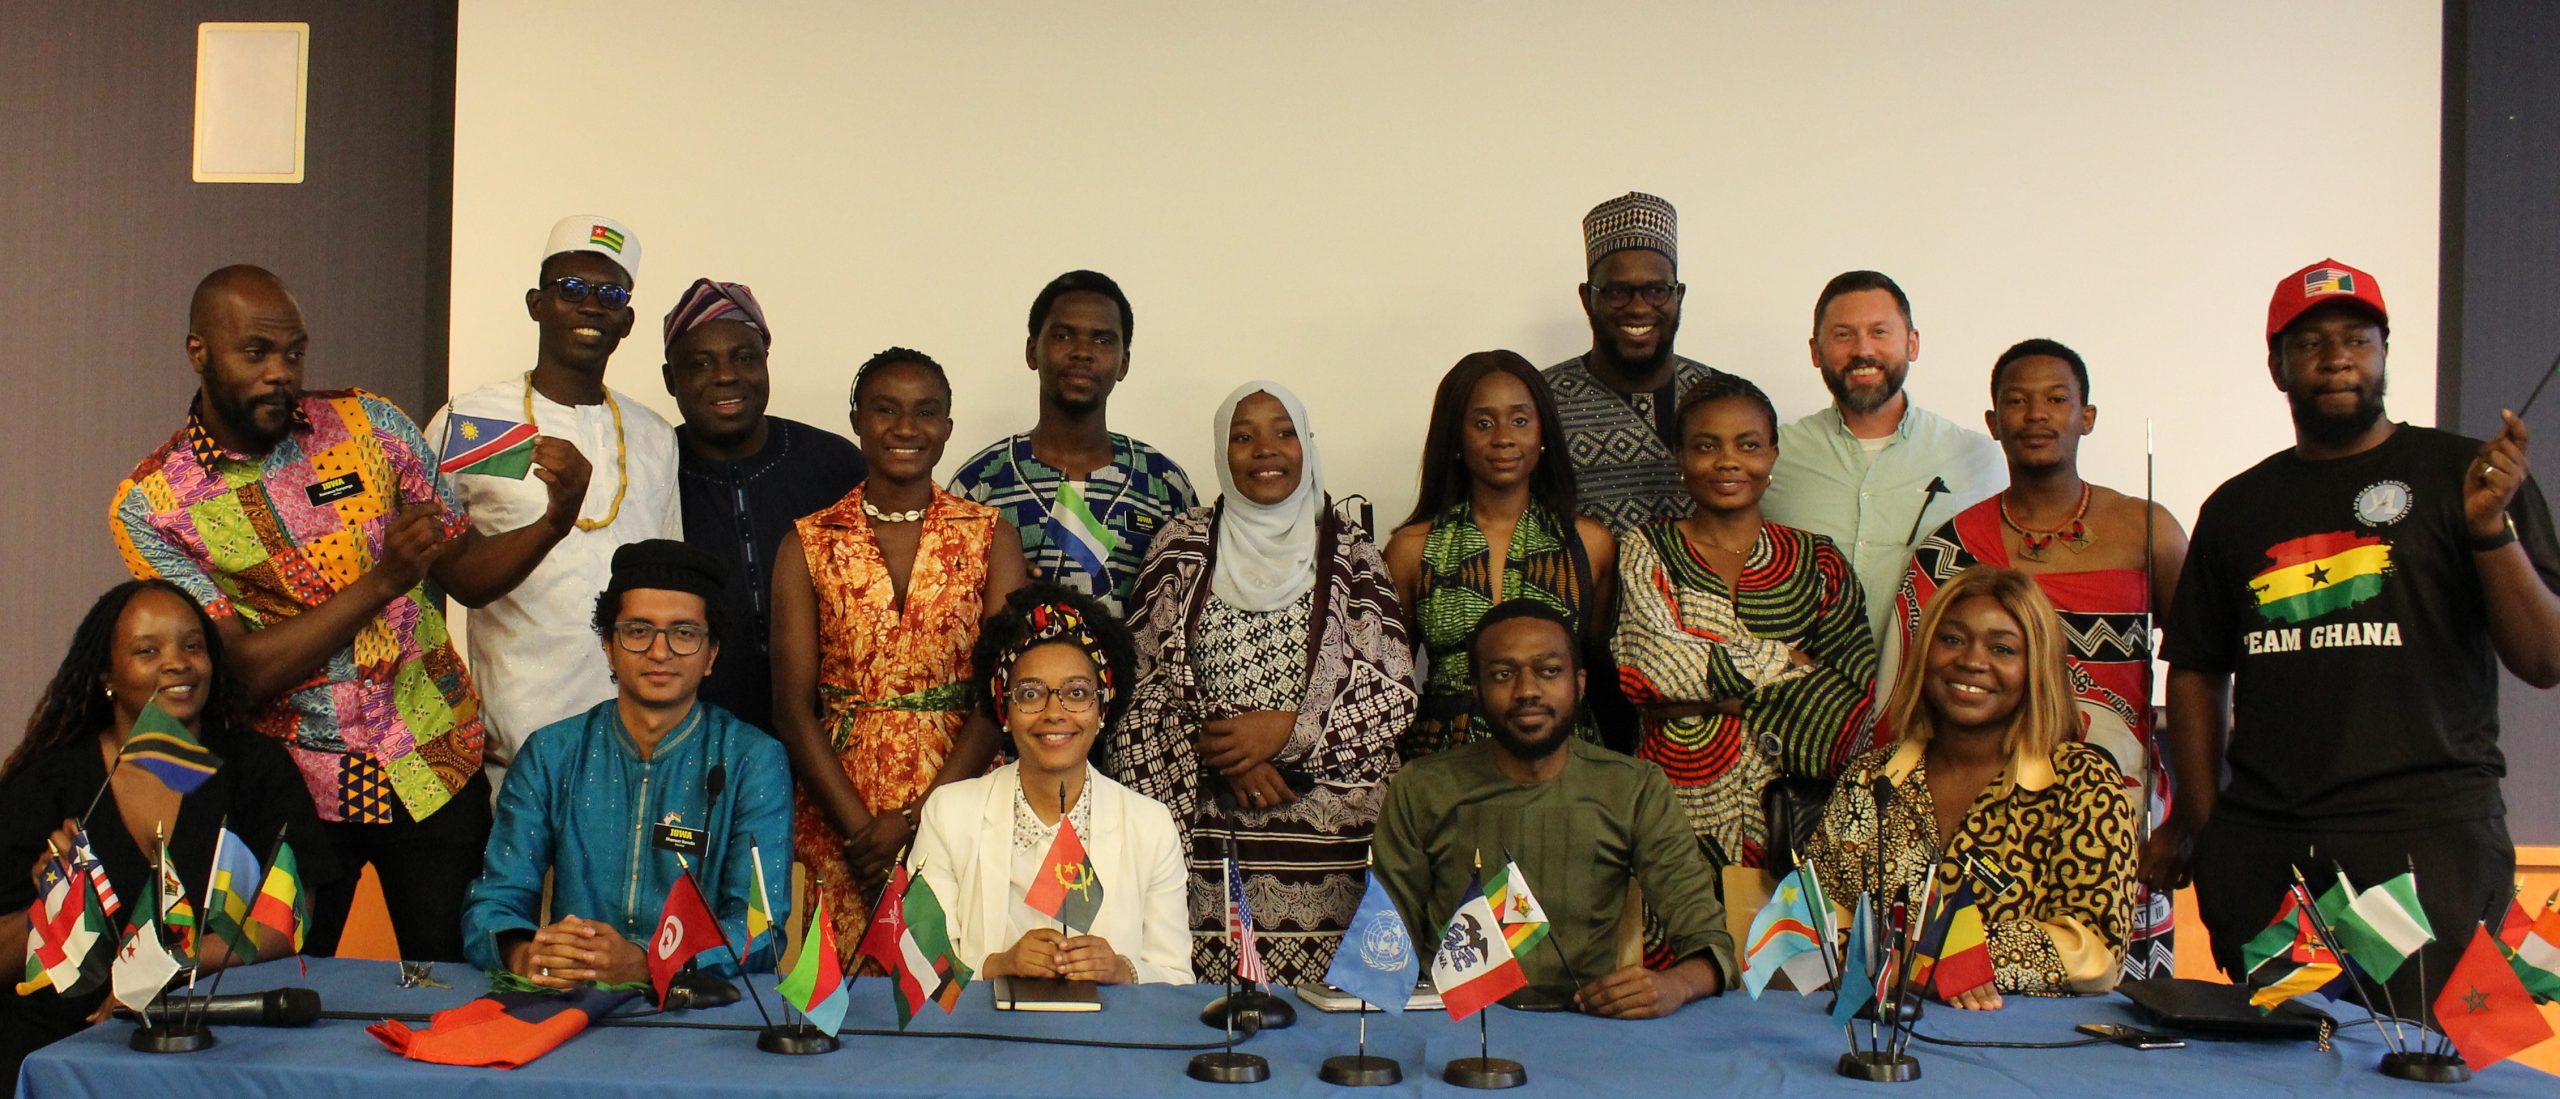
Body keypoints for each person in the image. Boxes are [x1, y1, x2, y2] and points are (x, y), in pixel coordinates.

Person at [111, 265, 582, 959]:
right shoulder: (152, 506)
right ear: (198, 351)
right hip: (296, 786)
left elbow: (468, 575)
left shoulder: (373, 426)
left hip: (431, 760)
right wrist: (385, 579)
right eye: (256, 353)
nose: (281, 373)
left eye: (294, 353)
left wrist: (554, 521)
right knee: (286, 989)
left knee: (457, 984)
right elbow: (239, 670)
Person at [2149, 259, 2560, 1011]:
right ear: (2277, 367)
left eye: (2358, 339)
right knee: (2286, 1064)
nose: (2337, 356)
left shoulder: (2469, 476)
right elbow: (2197, 670)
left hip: (2427, 844)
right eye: (2309, 343)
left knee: (2420, 1063)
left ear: (2383, 354)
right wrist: (2209, 829)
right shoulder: (2238, 506)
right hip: (2270, 854)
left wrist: (2489, 530)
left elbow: (2545, 657)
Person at [1892, 338, 2190, 981]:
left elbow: (2198, 671)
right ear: (1993, 422)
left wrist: (2189, 819)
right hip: (1998, 827)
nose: (2037, 415)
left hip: (2125, 810)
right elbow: (1915, 693)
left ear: (2087, 416)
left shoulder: (2148, 530)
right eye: (2017, 402)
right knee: (1980, 994)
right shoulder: (1951, 548)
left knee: (2122, 1023)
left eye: (2057, 399)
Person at [1109, 381, 1419, 985]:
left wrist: (1287, 733)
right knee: (1215, 1025)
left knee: (1333, 1029)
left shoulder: (1352, 550)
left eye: (1283, 432)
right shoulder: (1182, 545)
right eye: (1243, 435)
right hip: (1209, 832)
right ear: (1222, 453)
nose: (1264, 449)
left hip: (1335, 844)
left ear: (1306, 445)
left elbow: (1392, 692)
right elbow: (1139, 683)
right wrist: (1232, 753)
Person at [0, 581, 339, 1085]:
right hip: (59, 1046)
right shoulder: (48, 782)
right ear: (107, 677)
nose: (178, 662)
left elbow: (288, 918)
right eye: (148, 650)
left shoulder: (255, 767)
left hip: (215, 1039)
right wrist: (49, 905)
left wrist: (159, 970)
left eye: (193, 645)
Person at [771, 348, 1029, 959]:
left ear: (947, 428)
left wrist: (918, 820)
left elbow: (1003, 694)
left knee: (958, 971)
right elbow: (791, 709)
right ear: (857, 419)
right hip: (842, 806)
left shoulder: (991, 535)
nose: (906, 428)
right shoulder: (808, 540)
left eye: (926, 412)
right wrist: (864, 833)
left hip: (964, 791)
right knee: (844, 991)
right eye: (886, 410)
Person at [1375, 600, 1734, 1018]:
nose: (1527, 690)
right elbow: (1385, 943)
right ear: (1476, 689)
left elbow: (1710, 945)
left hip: (1590, 1025)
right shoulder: (1422, 787)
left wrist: (1675, 984)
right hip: (1455, 1025)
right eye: (1503, 674)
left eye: (1549, 671)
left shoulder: (1634, 788)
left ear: (1580, 684)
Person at [462, 540, 791, 987]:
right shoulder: (551, 753)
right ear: (608, 645)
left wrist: (647, 963)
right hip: (571, 1002)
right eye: (638, 631)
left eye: (684, 633)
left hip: (698, 1015)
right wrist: (527, 956)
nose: (660, 651)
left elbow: (759, 930)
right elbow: (493, 903)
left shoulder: (752, 760)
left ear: (711, 654)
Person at [1807, 566, 2137, 1007]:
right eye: (1953, 640)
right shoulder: (1870, 778)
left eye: (2002, 648)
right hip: (1869, 1034)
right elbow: (1816, 920)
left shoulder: (2084, 786)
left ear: (2035, 666)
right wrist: (1910, 962)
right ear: (1926, 652)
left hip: (2017, 1046)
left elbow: (2093, 950)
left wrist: (1949, 958)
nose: (1972, 661)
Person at [428, 214, 681, 788]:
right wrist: (445, 705)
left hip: (639, 746)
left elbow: (668, 586)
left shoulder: (653, 435)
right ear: (537, 303)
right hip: (513, 745)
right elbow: (423, 582)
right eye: (571, 289)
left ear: (628, 320)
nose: (591, 305)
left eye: (610, 294)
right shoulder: (471, 423)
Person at [1614, 375, 1879, 872]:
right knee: (1679, 945)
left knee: (1789, 948)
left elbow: (1853, 700)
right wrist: (1786, 660)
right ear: (1680, 456)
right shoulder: (1646, 548)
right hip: (1673, 808)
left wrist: (1702, 695)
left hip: (1794, 820)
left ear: (1773, 455)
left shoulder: (1817, 560)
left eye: (1748, 445)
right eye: (1706, 446)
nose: (1728, 461)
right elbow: (1649, 666)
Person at [912, 584, 1191, 985]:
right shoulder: (949, 813)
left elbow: (1177, 979)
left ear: (1101, 709)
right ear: (1004, 710)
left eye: (1077, 693)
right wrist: (998, 966)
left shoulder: (1150, 824)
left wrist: (1122, 970)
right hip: (988, 1043)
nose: (1054, 712)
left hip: (1106, 1044)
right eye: (1031, 694)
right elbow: (919, 967)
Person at [1386, 351, 1618, 758]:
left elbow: (1599, 670)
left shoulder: (1590, 543)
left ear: (1544, 431)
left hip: (1566, 760)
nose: (1504, 437)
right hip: (1445, 763)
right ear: (1455, 436)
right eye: (1482, 423)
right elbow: (1389, 679)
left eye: (1521, 420)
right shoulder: (1412, 549)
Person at [663, 278, 867, 735]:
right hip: (693, 737)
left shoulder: (833, 462)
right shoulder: (651, 469)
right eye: (700, 363)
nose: (726, 375)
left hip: (835, 735)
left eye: (744, 357)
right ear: (670, 380)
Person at [1764, 270, 2006, 641]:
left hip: (1926, 693)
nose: (1863, 350)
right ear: (1816, 351)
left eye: (1880, 332)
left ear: (1912, 343)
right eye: (1844, 335)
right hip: (1803, 692)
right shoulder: (1773, 457)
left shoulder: (1975, 459)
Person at [949, 271, 1197, 616]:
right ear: (1032, 350)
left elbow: (1189, 611)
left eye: (1102, 340)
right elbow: (947, 617)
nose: (1082, 352)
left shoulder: (1165, 485)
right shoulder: (980, 484)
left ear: (1124, 362)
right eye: (1064, 335)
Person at [1542, 192, 1723, 534]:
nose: (1638, 307)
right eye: (1617, 292)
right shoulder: (1540, 401)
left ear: (1678, 295)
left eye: (1656, 290)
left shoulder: (1723, 397)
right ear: (1587, 298)